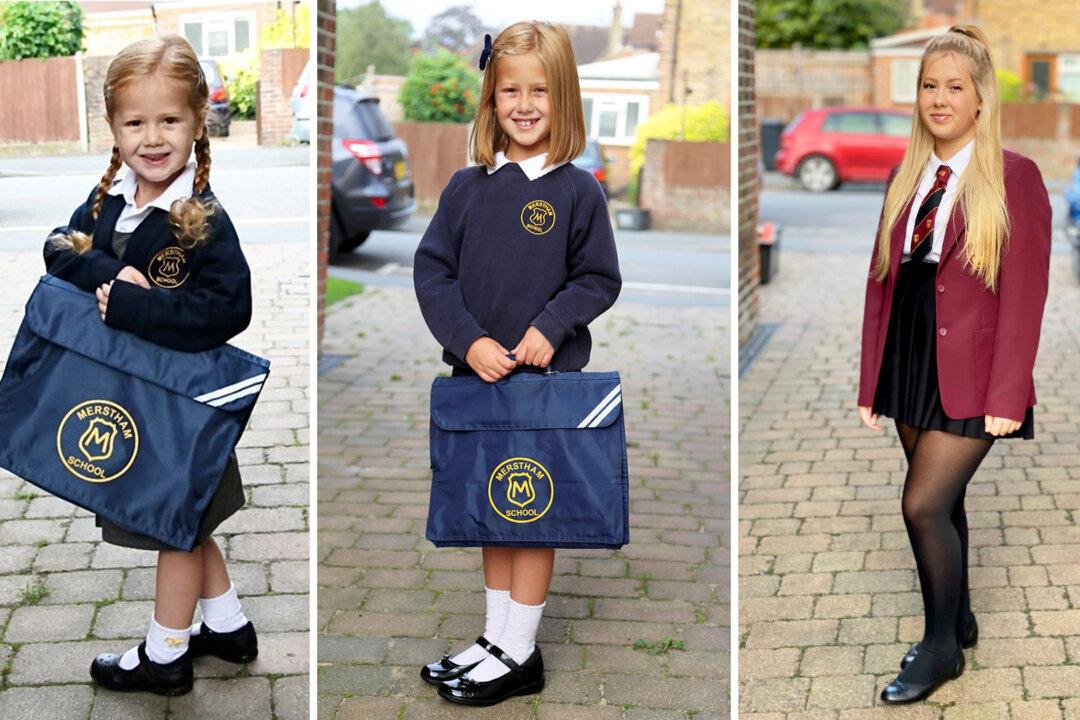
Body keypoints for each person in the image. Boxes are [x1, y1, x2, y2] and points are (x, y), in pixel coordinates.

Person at [412, 20, 621, 707]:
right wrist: (468, 338)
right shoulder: (466, 188)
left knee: (531, 511)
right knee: (489, 512)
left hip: (544, 386)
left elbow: (598, 279)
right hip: (478, 382)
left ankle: (521, 652)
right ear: (490, 99)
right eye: (510, 90)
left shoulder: (576, 191)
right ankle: (494, 639)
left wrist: (549, 327)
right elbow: (433, 272)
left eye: (541, 91)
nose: (525, 104)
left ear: (565, 98)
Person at [44, 35, 257, 696]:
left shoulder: (203, 219)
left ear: (198, 122)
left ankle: (166, 655)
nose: (153, 137)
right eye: (135, 122)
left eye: (169, 119)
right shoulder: (108, 202)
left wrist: (138, 307)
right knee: (186, 523)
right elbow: (58, 248)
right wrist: (112, 271)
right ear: (113, 128)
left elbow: (230, 309)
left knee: (175, 527)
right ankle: (227, 626)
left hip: (180, 413)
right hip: (130, 403)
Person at [858, 25, 1051, 703]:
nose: (939, 99)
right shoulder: (905, 171)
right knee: (946, 500)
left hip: (974, 364)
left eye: (954, 88)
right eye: (929, 86)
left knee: (923, 503)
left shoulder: (1015, 176)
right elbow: (883, 279)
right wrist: (869, 378)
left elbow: (1027, 294)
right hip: (909, 355)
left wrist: (1010, 391)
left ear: (979, 99)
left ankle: (940, 650)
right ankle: (959, 616)